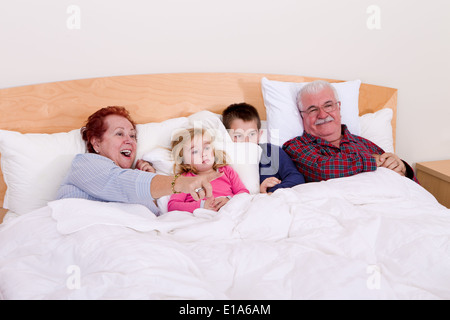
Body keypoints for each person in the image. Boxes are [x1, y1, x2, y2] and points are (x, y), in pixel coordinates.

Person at [56, 106, 217, 216]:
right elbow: (118, 183)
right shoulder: (84, 164)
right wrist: (179, 183)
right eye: (119, 134)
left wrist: (151, 195)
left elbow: (152, 218)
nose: (129, 141)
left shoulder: (135, 177)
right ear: (96, 142)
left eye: (132, 135)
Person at [282, 80, 418, 183]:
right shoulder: (295, 146)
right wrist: (370, 161)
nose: (322, 115)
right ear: (302, 115)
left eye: (328, 106)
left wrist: (401, 167)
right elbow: (322, 170)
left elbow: (409, 185)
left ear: (338, 107)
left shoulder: (363, 143)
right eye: (313, 109)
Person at [222, 103, 305, 193]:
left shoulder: (272, 151)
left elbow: (296, 177)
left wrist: (272, 190)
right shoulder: (225, 158)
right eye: (238, 136)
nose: (247, 141)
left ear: (259, 135)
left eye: (252, 134)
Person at [167, 128, 249, 213]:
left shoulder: (226, 170)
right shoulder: (185, 179)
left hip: (230, 211)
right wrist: (202, 205)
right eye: (195, 151)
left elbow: (243, 193)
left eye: (206, 148)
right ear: (183, 160)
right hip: (202, 216)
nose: (203, 154)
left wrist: (228, 199)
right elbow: (172, 206)